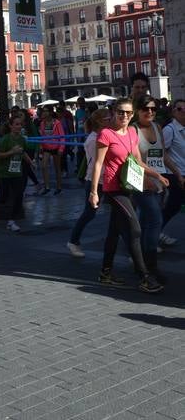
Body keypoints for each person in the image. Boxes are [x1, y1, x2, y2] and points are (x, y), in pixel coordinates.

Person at [89, 98, 167, 292]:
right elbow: (98, 164)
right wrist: (93, 192)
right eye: (121, 112)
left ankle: (105, 272)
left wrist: (156, 175)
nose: (124, 115)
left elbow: (137, 160)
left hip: (129, 187)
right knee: (135, 229)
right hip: (113, 189)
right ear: (114, 112)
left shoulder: (132, 132)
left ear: (132, 114)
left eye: (128, 113)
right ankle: (144, 277)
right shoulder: (106, 134)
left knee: (114, 232)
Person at [66, 109, 111, 257]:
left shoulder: (102, 136)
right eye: (107, 119)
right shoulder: (93, 140)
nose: (110, 121)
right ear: (99, 122)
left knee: (119, 213)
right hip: (96, 181)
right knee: (89, 213)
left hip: (107, 180)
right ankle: (73, 241)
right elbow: (99, 164)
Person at [132, 96, 167, 282]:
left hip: (158, 181)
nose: (150, 112)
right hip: (141, 182)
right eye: (146, 109)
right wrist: (148, 178)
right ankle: (151, 266)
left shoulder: (157, 127)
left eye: (153, 109)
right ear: (138, 110)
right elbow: (134, 160)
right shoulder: (133, 130)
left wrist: (177, 174)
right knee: (155, 220)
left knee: (146, 222)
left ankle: (142, 263)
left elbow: (163, 155)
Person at [0, 115, 34, 232]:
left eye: (20, 124)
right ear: (11, 126)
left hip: (17, 172)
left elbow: (23, 152)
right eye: (16, 124)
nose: (19, 126)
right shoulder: (5, 139)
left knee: (18, 195)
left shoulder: (22, 139)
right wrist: (12, 152)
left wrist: (31, 162)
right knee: (4, 197)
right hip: (4, 173)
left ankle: (11, 220)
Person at [160, 98, 185, 246]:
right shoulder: (169, 130)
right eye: (180, 109)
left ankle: (155, 231)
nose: (184, 112)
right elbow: (161, 153)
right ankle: (154, 233)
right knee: (173, 205)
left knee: (173, 205)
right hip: (175, 174)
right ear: (174, 111)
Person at [38, 107, 65, 194]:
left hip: (56, 147)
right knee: (43, 166)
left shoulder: (57, 123)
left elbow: (62, 136)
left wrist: (61, 148)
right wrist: (41, 146)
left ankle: (59, 187)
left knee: (57, 168)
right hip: (46, 148)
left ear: (50, 112)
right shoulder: (42, 123)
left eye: (46, 111)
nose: (44, 113)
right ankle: (47, 187)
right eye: (43, 111)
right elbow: (42, 136)